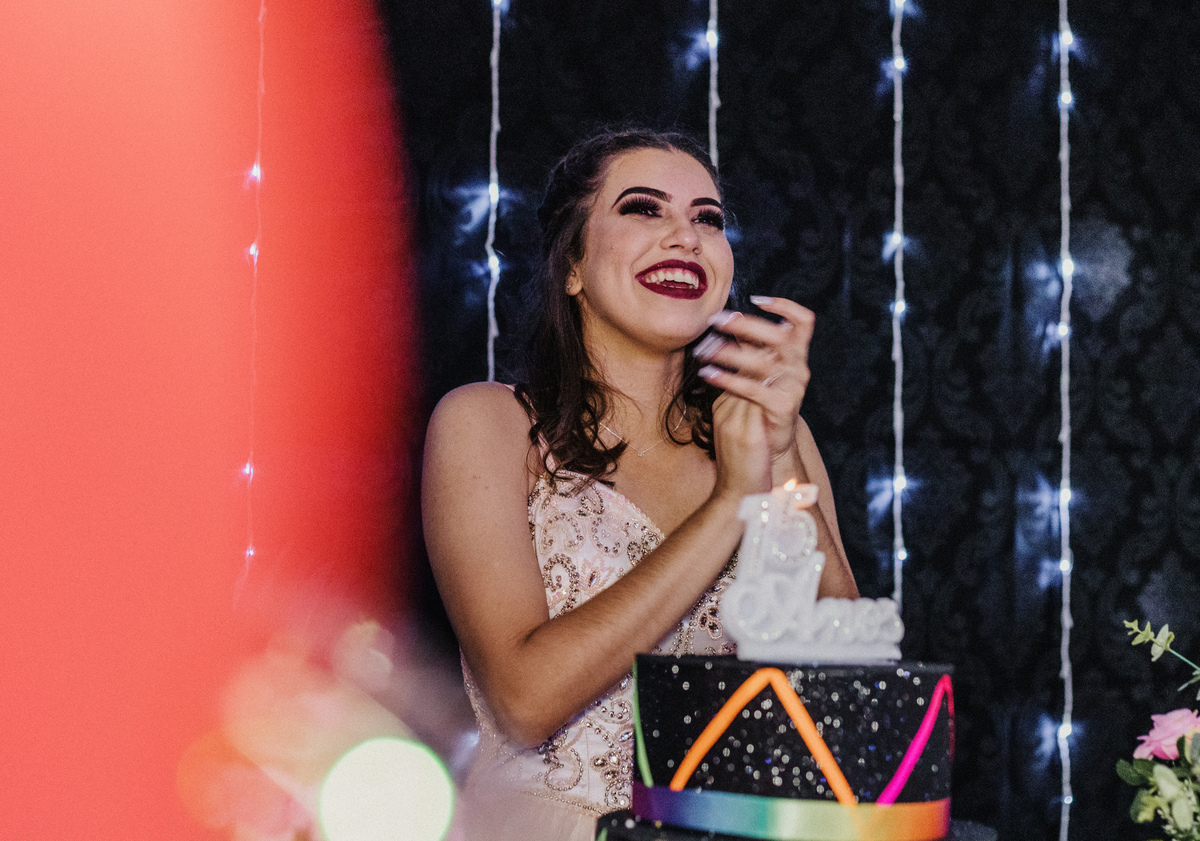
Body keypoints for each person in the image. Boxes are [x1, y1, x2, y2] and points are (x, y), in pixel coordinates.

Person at [422, 127, 858, 840]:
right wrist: (730, 504)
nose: (685, 236)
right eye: (644, 208)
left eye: (707, 219)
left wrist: (779, 454)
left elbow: (846, 689)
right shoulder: (487, 424)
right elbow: (524, 702)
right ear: (572, 265)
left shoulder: (777, 437)